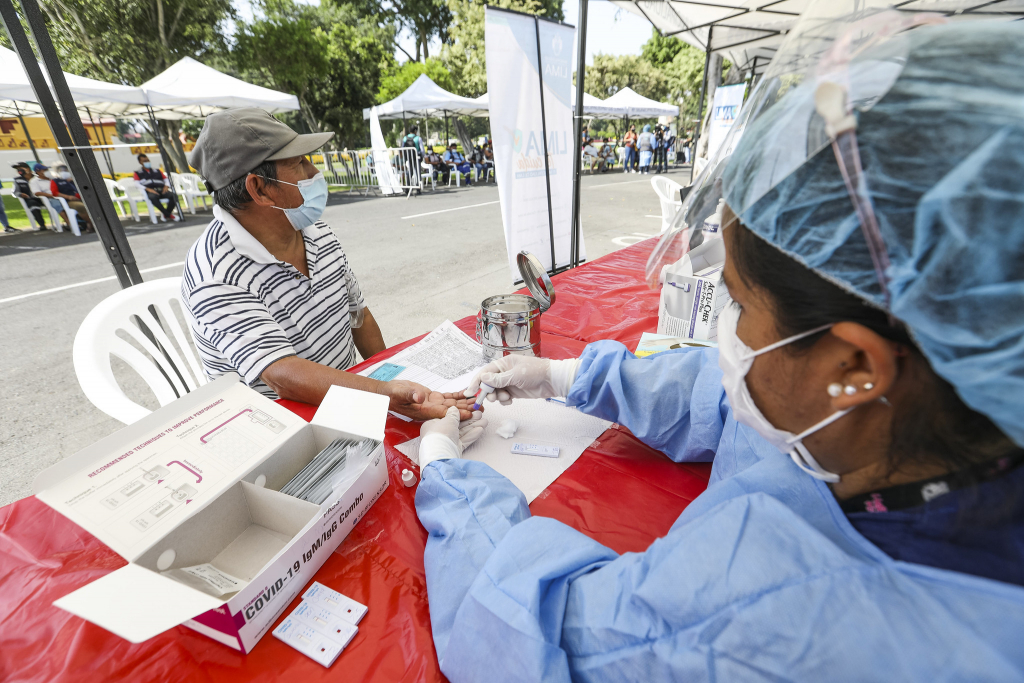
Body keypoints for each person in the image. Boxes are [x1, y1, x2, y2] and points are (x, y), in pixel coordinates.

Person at [411, 19, 1024, 681]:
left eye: (737, 301)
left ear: (855, 364)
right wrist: (568, 374)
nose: (725, 332)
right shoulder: (924, 422)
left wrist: (450, 474)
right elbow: (734, 405)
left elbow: (536, 626)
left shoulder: (775, 606)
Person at [183, 108, 473, 420]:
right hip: (286, 424)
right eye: (298, 163)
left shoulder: (317, 233)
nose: (313, 173)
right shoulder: (214, 275)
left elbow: (358, 316)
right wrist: (384, 396)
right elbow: (281, 374)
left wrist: (400, 385)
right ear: (259, 188)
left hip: (356, 393)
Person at [47, 164, 93, 232]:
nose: (64, 172)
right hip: (69, 201)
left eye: (65, 170)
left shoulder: (74, 180)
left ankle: (92, 224)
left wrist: (73, 181)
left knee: (94, 204)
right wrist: (68, 197)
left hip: (82, 198)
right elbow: (55, 193)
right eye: (61, 170)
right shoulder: (55, 181)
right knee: (81, 207)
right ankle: (91, 223)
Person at [133, 154, 179, 222]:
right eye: (144, 161)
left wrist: (166, 186)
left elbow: (166, 179)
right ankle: (168, 215)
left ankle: (166, 214)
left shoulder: (157, 170)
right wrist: (147, 189)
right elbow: (136, 184)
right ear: (140, 162)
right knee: (153, 197)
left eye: (147, 160)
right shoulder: (138, 173)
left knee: (173, 196)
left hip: (161, 189)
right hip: (151, 191)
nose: (147, 162)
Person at [10, 163, 45, 231]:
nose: (19, 170)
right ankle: (42, 224)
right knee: (32, 203)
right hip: (30, 199)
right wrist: (20, 194)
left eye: (21, 168)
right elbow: (14, 192)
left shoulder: (37, 177)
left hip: (43, 197)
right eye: (17, 169)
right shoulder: (17, 180)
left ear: (27, 169)